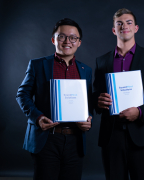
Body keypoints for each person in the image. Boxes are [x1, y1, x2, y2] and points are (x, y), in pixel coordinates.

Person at [93, 8, 144, 180]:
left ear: (136, 28)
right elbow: (95, 95)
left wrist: (140, 112)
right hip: (111, 137)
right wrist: (98, 101)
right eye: (119, 23)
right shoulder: (102, 61)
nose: (124, 26)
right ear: (114, 30)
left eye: (129, 22)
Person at [16, 18, 92, 180]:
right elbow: (22, 94)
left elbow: (88, 102)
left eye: (73, 38)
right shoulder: (37, 65)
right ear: (53, 40)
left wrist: (88, 118)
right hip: (46, 138)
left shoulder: (86, 70)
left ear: (79, 43)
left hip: (75, 140)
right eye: (61, 36)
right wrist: (38, 117)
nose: (67, 41)